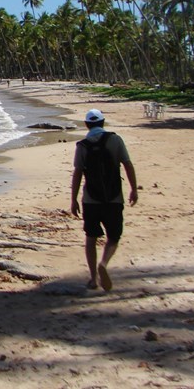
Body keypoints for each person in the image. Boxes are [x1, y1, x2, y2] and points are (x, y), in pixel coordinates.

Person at [70, 109, 139, 291]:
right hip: (114, 197)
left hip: (90, 199)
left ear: (86, 125)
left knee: (91, 238)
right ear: (103, 122)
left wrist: (74, 199)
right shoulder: (115, 140)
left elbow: (77, 173)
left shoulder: (82, 145)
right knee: (113, 237)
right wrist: (133, 189)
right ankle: (104, 262)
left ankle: (93, 278)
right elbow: (127, 164)